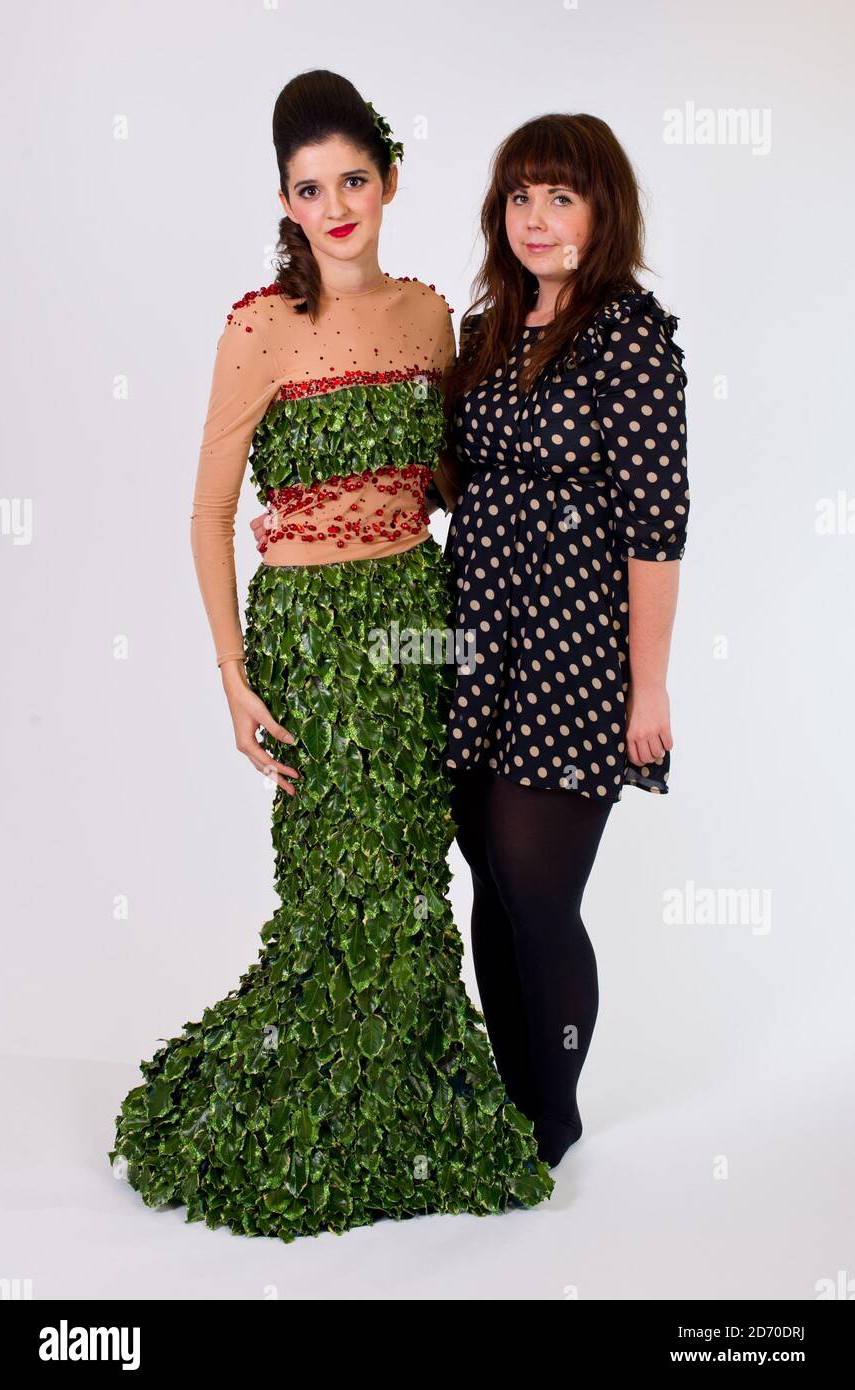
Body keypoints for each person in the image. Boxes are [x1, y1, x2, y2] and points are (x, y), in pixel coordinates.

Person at [107, 71, 554, 1242]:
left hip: (418, 620)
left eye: (353, 178)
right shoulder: (257, 327)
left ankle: (413, 1101)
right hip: (308, 640)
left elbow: (452, 485)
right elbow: (206, 516)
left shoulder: (425, 317)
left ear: (389, 178)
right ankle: (318, 1105)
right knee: (330, 885)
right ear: (285, 201)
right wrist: (232, 677)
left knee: (413, 877)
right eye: (312, 187)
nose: (337, 202)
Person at [440, 112, 690, 1167]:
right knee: (487, 873)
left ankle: (553, 1116)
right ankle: (511, 1095)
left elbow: (656, 525)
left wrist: (649, 690)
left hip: (573, 643)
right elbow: (453, 485)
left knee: (538, 883)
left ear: (600, 211)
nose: (535, 218)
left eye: (559, 196)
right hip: (474, 631)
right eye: (518, 196)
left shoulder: (626, 333)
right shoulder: (486, 330)